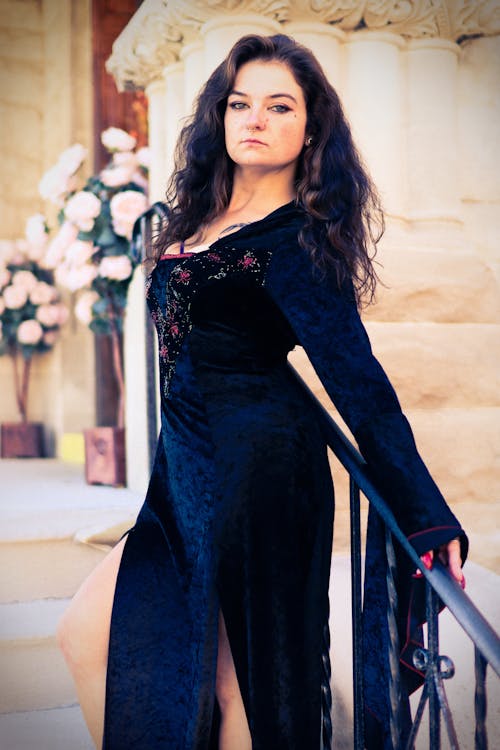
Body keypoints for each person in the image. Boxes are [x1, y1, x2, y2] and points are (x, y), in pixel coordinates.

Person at [57, 33, 467, 750]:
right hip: (185, 478)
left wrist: (427, 517)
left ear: (311, 128)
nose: (255, 118)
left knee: (237, 680)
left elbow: (362, 388)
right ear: (219, 115)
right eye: (240, 103)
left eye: (280, 107)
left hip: (259, 476)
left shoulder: (299, 245)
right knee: (87, 634)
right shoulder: (196, 218)